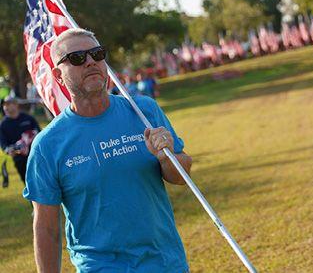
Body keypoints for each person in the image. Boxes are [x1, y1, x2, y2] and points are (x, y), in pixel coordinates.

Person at [23, 28, 192, 273]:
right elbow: (46, 227)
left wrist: (167, 158)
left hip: (165, 262)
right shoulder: (47, 145)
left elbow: (181, 175)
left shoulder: (144, 111)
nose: (90, 61)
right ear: (59, 76)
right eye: (77, 58)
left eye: (97, 54)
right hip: (101, 267)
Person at [0, 95, 40, 184]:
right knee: (28, 183)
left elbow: (39, 135)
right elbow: (3, 144)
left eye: (8, 104)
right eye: (4, 105)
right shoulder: (3, 125)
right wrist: (8, 150)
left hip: (35, 156)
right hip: (19, 159)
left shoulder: (28, 118)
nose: (5, 107)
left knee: (41, 180)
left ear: (16, 104)